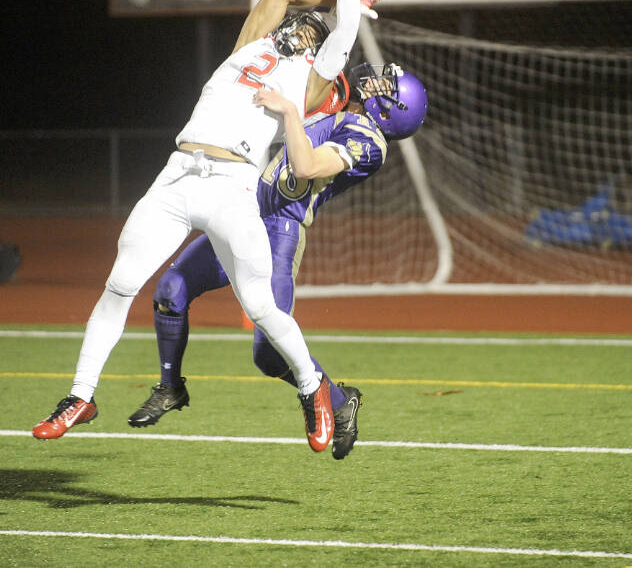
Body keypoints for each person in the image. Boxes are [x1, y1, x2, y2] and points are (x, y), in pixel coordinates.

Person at [32, 0, 365, 452]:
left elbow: (345, 27)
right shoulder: (250, 46)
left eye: (309, 33)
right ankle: (81, 395)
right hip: (178, 176)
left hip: (233, 186)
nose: (300, 31)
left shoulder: (310, 80)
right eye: (301, 24)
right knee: (120, 284)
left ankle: (314, 387)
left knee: (259, 303)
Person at [127, 62, 429, 459]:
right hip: (242, 212)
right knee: (171, 290)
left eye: (385, 86)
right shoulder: (340, 110)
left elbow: (305, 167)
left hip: (279, 233)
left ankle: (338, 401)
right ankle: (170, 387)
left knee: (267, 355)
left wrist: (290, 111)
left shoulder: (368, 140)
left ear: (390, 111)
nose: (374, 80)